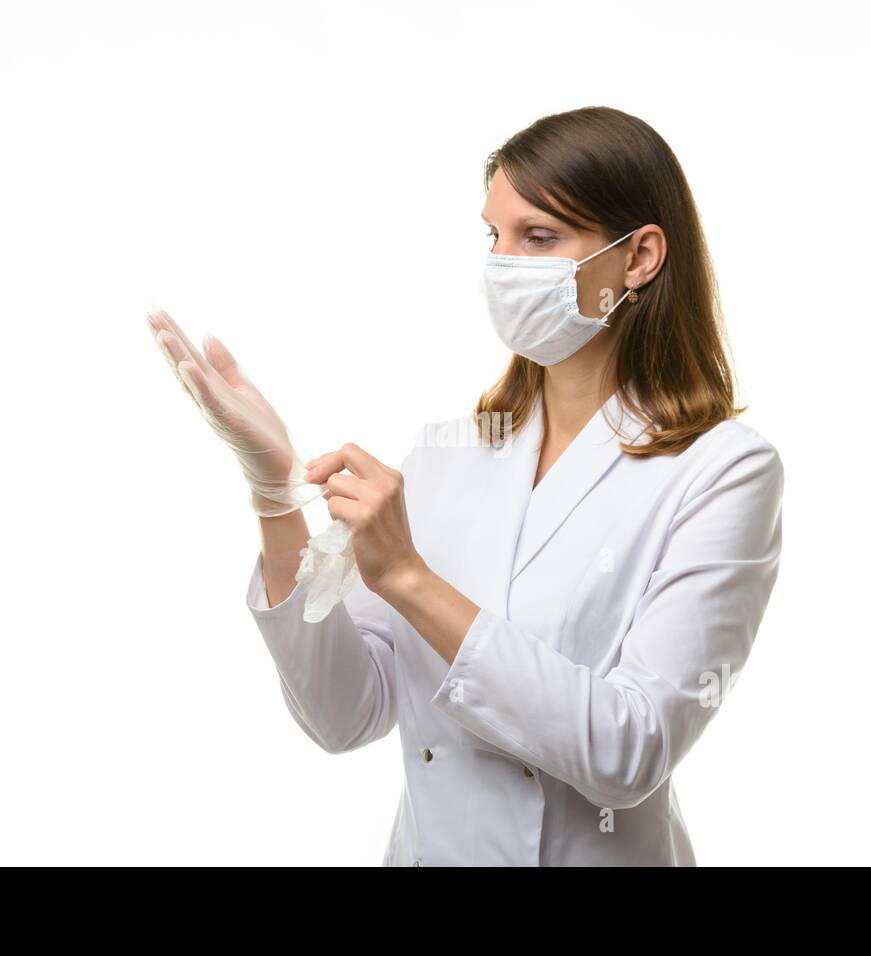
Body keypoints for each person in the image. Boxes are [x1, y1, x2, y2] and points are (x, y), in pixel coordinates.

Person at [146, 106, 784, 866]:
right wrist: (276, 497)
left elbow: (629, 751)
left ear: (640, 256)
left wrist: (410, 577)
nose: (505, 264)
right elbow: (344, 715)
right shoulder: (450, 456)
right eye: (495, 235)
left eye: (539, 238)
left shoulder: (723, 471)